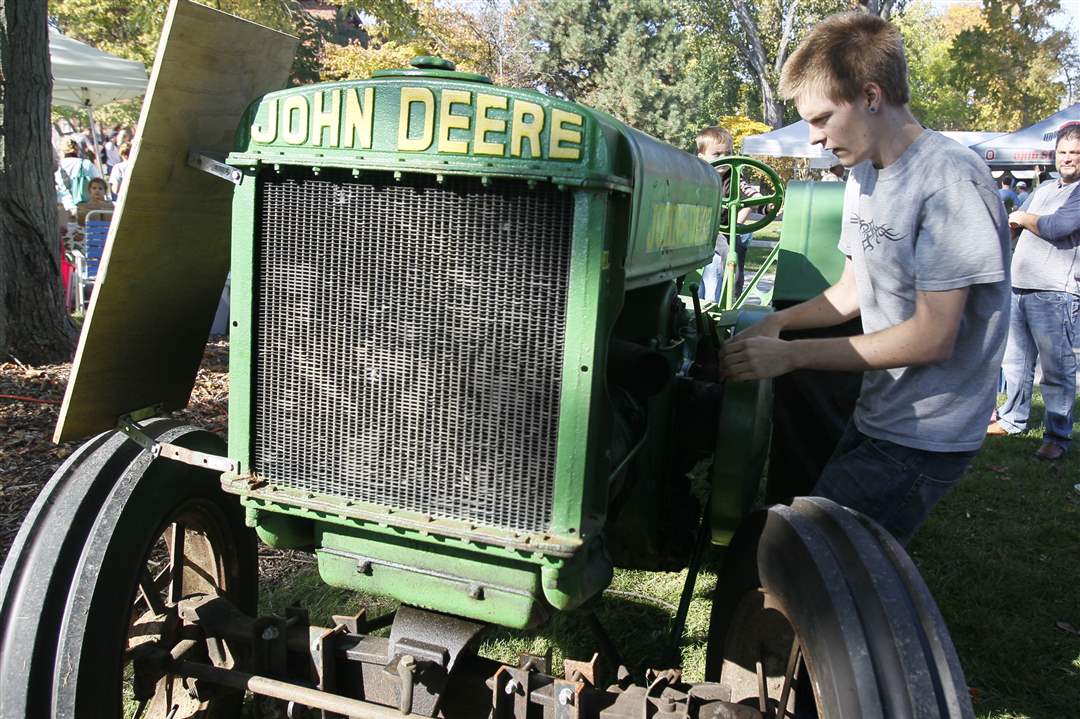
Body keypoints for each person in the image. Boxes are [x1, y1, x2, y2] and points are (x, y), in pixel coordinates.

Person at [720, 11, 1011, 546]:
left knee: (810, 560)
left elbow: (932, 336)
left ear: (871, 96)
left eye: (822, 119)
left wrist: (792, 357)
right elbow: (854, 290)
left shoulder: (950, 180)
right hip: (878, 413)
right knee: (826, 566)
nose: (813, 140)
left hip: (926, 435)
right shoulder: (862, 176)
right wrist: (776, 324)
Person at [986, 125, 1080, 460]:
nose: (1067, 159)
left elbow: (1057, 227)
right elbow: (1017, 226)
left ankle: (1057, 436)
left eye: (1075, 154)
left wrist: (1023, 217)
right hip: (1019, 287)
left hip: (1055, 291)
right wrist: (1018, 223)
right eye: (1063, 153)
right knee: (1015, 363)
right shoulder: (1045, 189)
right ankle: (1012, 419)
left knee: (1055, 370)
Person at [695, 126, 754, 303]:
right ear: (702, 156)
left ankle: (727, 296)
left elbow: (752, 199)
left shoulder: (734, 177)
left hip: (727, 230)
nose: (723, 159)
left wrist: (734, 226)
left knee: (729, 253)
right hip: (701, 230)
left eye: (727, 153)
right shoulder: (697, 176)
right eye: (717, 154)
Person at [55, 137, 100, 220]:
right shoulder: (86, 164)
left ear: (61, 151)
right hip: (84, 208)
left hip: (63, 208)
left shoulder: (56, 166)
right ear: (77, 149)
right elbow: (99, 182)